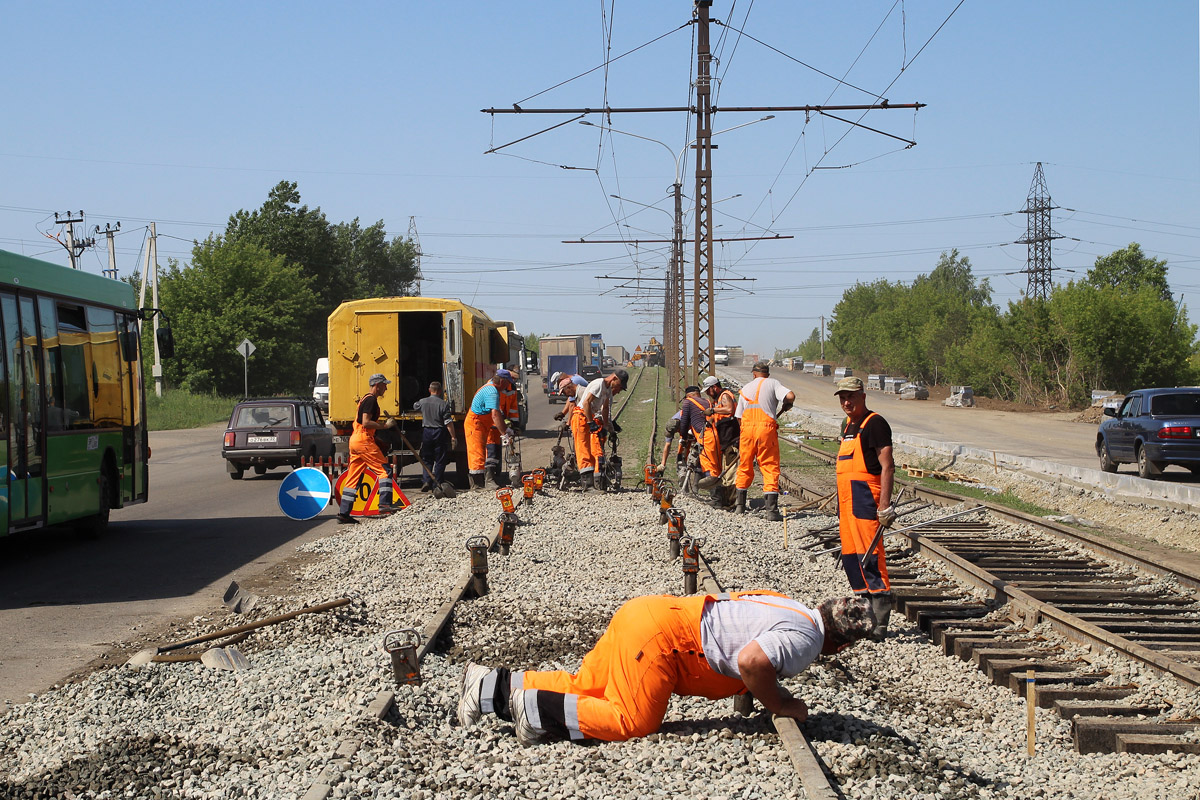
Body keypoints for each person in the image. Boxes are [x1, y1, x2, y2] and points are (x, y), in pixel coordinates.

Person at [457, 592, 875, 745]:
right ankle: (533, 711)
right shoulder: (808, 641)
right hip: (666, 643)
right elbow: (751, 662)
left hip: (648, 613)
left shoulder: (793, 607)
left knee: (589, 685)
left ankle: (488, 686)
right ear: (839, 644)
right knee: (632, 721)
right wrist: (780, 704)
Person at [833, 376, 897, 639]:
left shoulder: (875, 424)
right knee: (851, 558)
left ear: (863, 396)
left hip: (866, 497)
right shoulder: (848, 425)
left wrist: (884, 505)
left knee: (871, 556)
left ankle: (880, 621)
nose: (847, 402)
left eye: (851, 397)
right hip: (847, 502)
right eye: (842, 397)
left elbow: (887, 466)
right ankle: (863, 616)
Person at [733, 361, 795, 521]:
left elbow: (739, 417)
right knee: (769, 466)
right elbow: (790, 396)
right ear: (767, 374)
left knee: (745, 465)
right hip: (766, 430)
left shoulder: (745, 388)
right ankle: (771, 511)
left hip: (746, 431)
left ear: (753, 374)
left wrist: (747, 431)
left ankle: (740, 507)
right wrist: (788, 404)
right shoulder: (773, 383)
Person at [335, 373, 397, 524]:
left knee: (353, 477)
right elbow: (366, 422)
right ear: (377, 385)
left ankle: (344, 513)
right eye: (384, 385)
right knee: (384, 470)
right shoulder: (371, 400)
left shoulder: (364, 399)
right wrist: (384, 426)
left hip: (356, 440)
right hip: (363, 440)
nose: (386, 388)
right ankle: (384, 504)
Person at [573, 369, 628, 492]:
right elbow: (586, 403)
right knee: (584, 450)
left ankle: (591, 485)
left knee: (591, 453)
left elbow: (605, 410)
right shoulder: (599, 384)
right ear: (614, 378)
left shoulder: (607, 390)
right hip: (581, 416)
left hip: (588, 417)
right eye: (619, 385)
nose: (618, 388)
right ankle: (587, 486)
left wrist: (610, 429)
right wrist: (590, 422)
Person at [464, 371, 513, 489]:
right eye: (507, 384)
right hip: (475, 425)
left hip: (480, 425)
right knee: (477, 455)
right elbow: (495, 415)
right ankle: (477, 486)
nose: (507, 387)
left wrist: (506, 429)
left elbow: (497, 414)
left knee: (482, 454)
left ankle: (480, 484)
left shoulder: (489, 387)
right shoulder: (492, 392)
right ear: (502, 381)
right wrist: (505, 434)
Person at [697, 376, 737, 505]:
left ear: (714, 387)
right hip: (725, 442)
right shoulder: (717, 399)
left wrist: (713, 410)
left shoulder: (725, 395)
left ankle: (732, 503)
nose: (708, 393)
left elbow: (730, 409)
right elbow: (719, 415)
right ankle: (727, 502)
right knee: (726, 474)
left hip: (732, 440)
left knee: (730, 474)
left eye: (708, 390)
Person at [413, 381, 457, 492]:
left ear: (429, 390)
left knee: (427, 458)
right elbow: (448, 422)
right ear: (440, 391)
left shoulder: (423, 402)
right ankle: (437, 483)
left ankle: (427, 480)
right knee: (440, 459)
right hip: (439, 432)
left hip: (427, 432)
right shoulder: (443, 404)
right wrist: (453, 437)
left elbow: (415, 406)